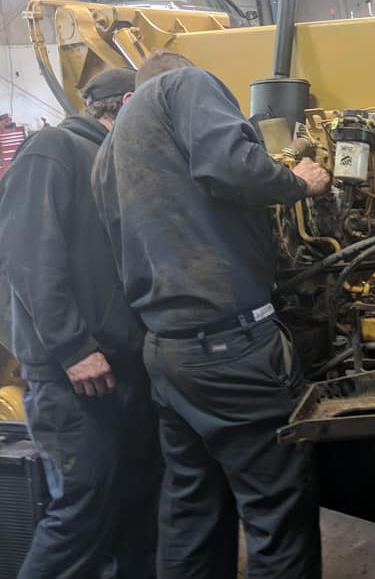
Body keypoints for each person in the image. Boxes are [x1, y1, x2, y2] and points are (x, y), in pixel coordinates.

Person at [92, 51, 329, 579]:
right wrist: (299, 181)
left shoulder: (107, 154)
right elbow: (232, 166)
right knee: (277, 515)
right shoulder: (182, 82)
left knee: (191, 509)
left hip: (168, 351)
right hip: (233, 349)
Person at [0, 67, 161, 579]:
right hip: (74, 376)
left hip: (124, 368)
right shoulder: (54, 149)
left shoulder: (113, 159)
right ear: (128, 103)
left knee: (137, 506)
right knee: (82, 512)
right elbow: (29, 256)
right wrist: (73, 348)